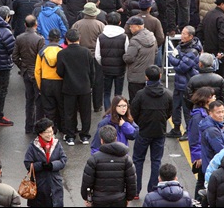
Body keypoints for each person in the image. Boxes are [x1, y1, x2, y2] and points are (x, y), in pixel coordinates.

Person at [131, 65, 173, 197]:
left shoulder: (140, 94)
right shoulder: (167, 94)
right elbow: (169, 113)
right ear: (160, 76)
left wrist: (141, 123)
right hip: (159, 132)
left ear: (146, 77)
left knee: (138, 160)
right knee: (156, 161)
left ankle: (136, 190)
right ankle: (153, 189)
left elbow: (134, 112)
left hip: (143, 131)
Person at [81, 124, 137, 206]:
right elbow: (131, 181)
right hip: (119, 199)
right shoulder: (126, 159)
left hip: (99, 200)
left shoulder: (94, 159)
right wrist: (129, 198)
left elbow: (87, 182)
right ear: (116, 138)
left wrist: (87, 198)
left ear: (101, 140)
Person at [56, 29, 95, 145]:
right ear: (79, 38)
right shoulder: (86, 52)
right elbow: (92, 71)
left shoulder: (62, 53)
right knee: (85, 112)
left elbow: (60, 71)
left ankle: (70, 136)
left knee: (69, 112)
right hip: (85, 87)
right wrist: (91, 85)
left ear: (67, 40)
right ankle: (85, 135)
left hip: (69, 87)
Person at [166, 25, 201, 141]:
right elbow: (178, 61)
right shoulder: (181, 46)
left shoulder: (194, 50)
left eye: (184, 34)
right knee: (175, 107)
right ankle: (176, 129)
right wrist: (178, 59)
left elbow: (181, 67)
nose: (181, 35)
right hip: (178, 83)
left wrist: (174, 59)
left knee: (187, 109)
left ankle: (189, 131)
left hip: (187, 84)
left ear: (190, 36)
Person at [24, 118, 67, 207]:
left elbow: (63, 160)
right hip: (39, 185)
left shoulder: (57, 144)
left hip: (55, 183)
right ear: (40, 133)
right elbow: (28, 164)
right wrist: (41, 165)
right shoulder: (33, 147)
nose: (50, 134)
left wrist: (52, 165)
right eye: (47, 132)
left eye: (51, 131)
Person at [13, 15, 45, 134]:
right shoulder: (40, 39)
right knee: (39, 100)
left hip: (26, 71)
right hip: (36, 72)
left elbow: (15, 56)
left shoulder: (19, 38)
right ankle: (38, 127)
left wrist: (22, 67)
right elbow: (42, 57)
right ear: (36, 25)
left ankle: (28, 126)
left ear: (25, 25)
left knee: (29, 100)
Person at [95, 12, 129, 111]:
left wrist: (103, 63)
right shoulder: (124, 37)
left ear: (106, 21)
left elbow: (97, 55)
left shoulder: (101, 36)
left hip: (105, 69)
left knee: (106, 93)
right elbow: (127, 53)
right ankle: (117, 113)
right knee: (118, 93)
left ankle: (108, 113)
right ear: (119, 22)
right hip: (120, 69)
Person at [0, 6, 16, 126]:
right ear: (6, 17)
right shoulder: (6, 32)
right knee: (2, 90)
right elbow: (12, 49)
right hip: (4, 63)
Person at [123, 17, 157, 103]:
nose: (130, 28)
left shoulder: (135, 41)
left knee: (135, 101)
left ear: (138, 27)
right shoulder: (151, 36)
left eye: (131, 26)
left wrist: (124, 56)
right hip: (148, 75)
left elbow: (129, 58)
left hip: (135, 77)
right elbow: (156, 51)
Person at [197, 0, 224, 77]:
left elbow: (199, 30)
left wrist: (201, 46)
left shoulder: (208, 14)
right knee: (219, 76)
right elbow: (223, 36)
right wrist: (222, 51)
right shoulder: (222, 18)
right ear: (222, 4)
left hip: (207, 49)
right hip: (217, 53)